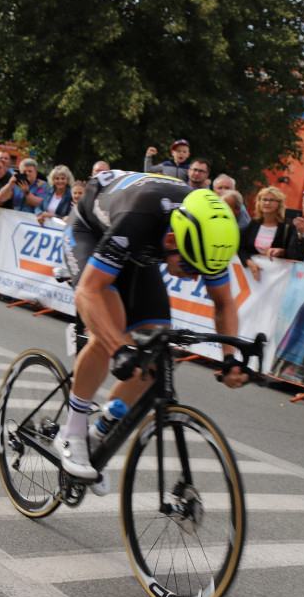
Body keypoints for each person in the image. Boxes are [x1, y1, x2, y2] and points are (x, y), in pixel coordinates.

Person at [61, 172, 247, 493]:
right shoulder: (139, 216)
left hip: (140, 251)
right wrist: (119, 348)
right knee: (110, 335)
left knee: (156, 352)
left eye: (200, 272)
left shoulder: (208, 234)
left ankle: (98, 435)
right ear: (174, 241)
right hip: (91, 231)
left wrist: (230, 358)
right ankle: (72, 432)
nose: (192, 279)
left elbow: (224, 303)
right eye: (189, 267)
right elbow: (88, 293)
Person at [239, 186, 291, 281]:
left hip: (278, 276)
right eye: (264, 199)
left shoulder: (286, 226)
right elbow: (241, 247)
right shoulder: (254, 223)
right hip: (252, 275)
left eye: (272, 200)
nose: (267, 203)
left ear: (279, 204)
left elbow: (293, 251)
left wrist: (282, 251)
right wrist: (249, 263)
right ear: (259, 202)